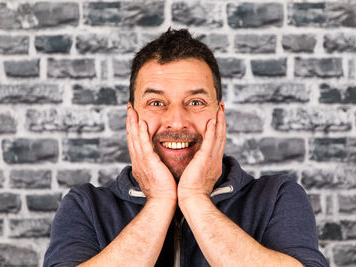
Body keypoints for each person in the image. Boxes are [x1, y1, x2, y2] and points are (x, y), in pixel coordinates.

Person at [44, 28, 328, 267]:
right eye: (156, 103)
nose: (176, 121)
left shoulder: (278, 196)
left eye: (195, 103)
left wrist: (194, 198)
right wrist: (160, 201)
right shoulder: (84, 206)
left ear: (219, 114)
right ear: (132, 117)